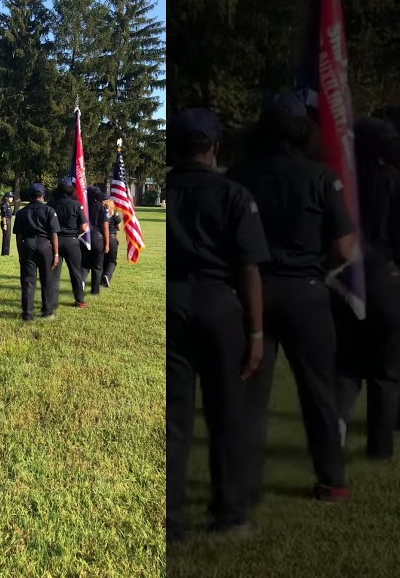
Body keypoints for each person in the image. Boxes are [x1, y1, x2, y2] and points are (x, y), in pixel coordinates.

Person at [227, 93, 356, 503]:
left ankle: (241, 483)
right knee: (319, 392)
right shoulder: (320, 177)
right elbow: (344, 246)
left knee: (251, 394)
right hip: (307, 292)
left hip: (253, 293)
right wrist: (319, 269)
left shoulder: (240, 174)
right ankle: (332, 479)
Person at [168, 107, 270, 542]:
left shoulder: (167, 191)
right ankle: (229, 513)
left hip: (172, 302)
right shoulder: (233, 194)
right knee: (226, 412)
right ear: (213, 147)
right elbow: (249, 269)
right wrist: (256, 333)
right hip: (218, 303)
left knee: (174, 419)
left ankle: (170, 521)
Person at [333, 118, 400, 460]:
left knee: (345, 366)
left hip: (348, 279)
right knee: (387, 373)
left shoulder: (343, 184)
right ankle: (380, 447)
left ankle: (337, 429)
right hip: (388, 282)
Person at [12, 183, 60, 320]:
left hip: (27, 244)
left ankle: (27, 314)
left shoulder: (21, 212)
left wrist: (21, 253)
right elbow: (54, 234)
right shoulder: (49, 211)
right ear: (43, 195)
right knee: (47, 279)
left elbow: (18, 235)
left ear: (30, 196)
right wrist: (56, 254)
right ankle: (47, 311)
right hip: (45, 244)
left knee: (28, 281)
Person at [50, 177, 90, 308]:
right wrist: (75, 234)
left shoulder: (51, 204)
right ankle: (80, 300)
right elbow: (84, 227)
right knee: (76, 272)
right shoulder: (76, 205)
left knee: (54, 273)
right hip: (71, 241)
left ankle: (51, 300)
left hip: (54, 241)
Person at [86, 186, 111, 294]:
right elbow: (105, 227)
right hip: (97, 237)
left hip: (84, 237)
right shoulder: (102, 208)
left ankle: (81, 284)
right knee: (97, 267)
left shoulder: (83, 205)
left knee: (84, 265)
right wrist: (107, 244)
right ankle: (95, 290)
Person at [103, 197, 121, 288]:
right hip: (112, 238)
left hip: (101, 238)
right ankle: (107, 275)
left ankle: (101, 277)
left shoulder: (101, 213)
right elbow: (119, 228)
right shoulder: (115, 214)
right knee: (112, 261)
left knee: (103, 260)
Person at [0, 191, 15, 255]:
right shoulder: (4, 205)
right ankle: (5, 253)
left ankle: (6, 252)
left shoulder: (8, 205)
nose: (12, 199)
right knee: (6, 237)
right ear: (6, 198)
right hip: (6, 221)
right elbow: (3, 215)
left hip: (9, 221)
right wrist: (5, 224)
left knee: (8, 237)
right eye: (10, 197)